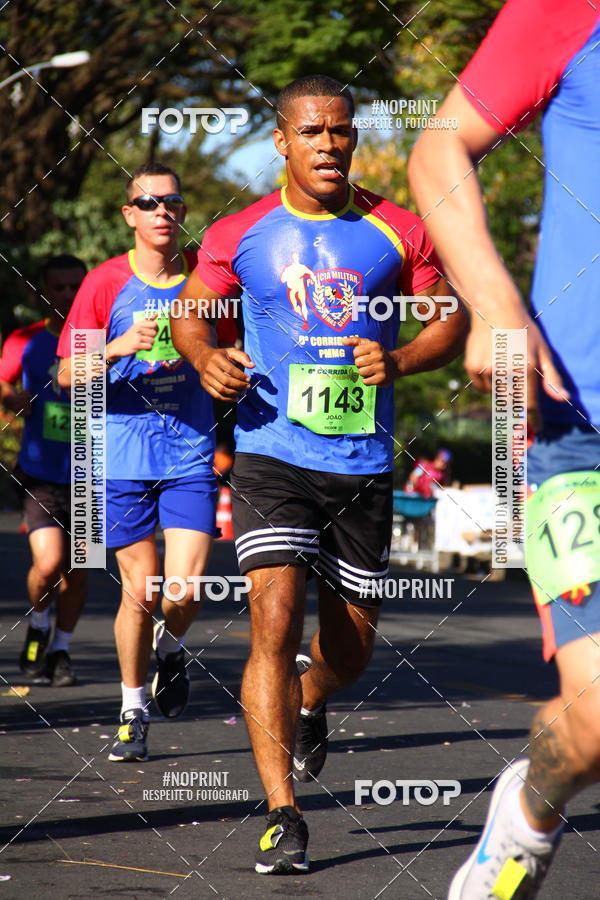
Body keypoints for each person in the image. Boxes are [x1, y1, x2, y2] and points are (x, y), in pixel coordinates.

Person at [171, 74, 468, 875]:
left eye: (340, 132)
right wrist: (205, 359)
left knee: (352, 645)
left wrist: (400, 356)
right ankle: (282, 815)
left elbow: (452, 317)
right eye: (312, 133)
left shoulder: (398, 229)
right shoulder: (241, 231)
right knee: (271, 620)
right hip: (272, 452)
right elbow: (191, 310)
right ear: (282, 141)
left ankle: (312, 693)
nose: (329, 145)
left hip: (363, 463)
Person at [408, 2, 600, 897]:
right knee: (596, 722)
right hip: (576, 427)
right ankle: (527, 817)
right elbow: (437, 146)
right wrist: (492, 302)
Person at [57, 162, 236, 762]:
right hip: (120, 456)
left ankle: (171, 646)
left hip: (188, 449)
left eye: (173, 203)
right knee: (140, 589)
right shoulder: (104, 285)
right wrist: (114, 347)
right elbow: (64, 375)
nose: (163, 211)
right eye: (149, 202)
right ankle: (133, 710)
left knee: (183, 591)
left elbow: (232, 349)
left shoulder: (204, 284)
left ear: (183, 214)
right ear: (129, 215)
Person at [0, 255, 87, 686]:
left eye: (77, 287)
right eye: (60, 288)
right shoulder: (26, 340)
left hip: (92, 474)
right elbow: (3, 382)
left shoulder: (102, 340)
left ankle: (61, 650)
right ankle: (38, 621)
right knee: (50, 562)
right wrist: (15, 400)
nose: (69, 296)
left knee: (79, 569)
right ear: (44, 291)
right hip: (40, 473)